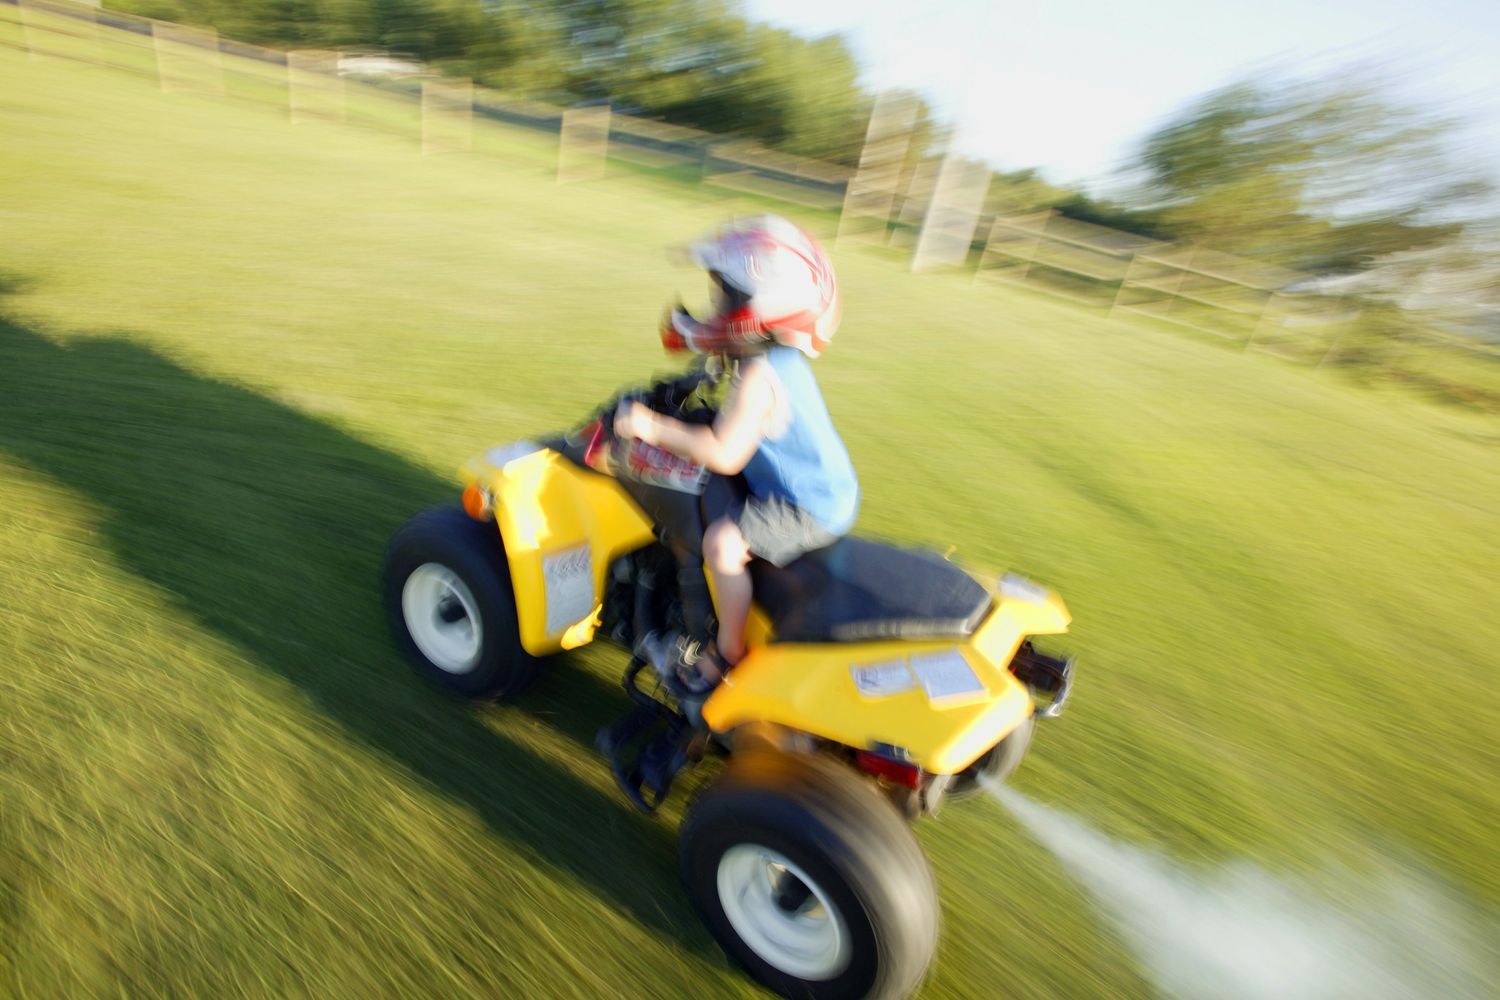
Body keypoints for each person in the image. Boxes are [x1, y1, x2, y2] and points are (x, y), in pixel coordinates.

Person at [614, 215, 858, 691]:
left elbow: (724, 453)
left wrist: (650, 426)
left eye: (722, 295)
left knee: (722, 544)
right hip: (810, 484)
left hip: (810, 504)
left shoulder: (758, 376)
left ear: (755, 307)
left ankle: (726, 652)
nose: (714, 305)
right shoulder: (770, 357)